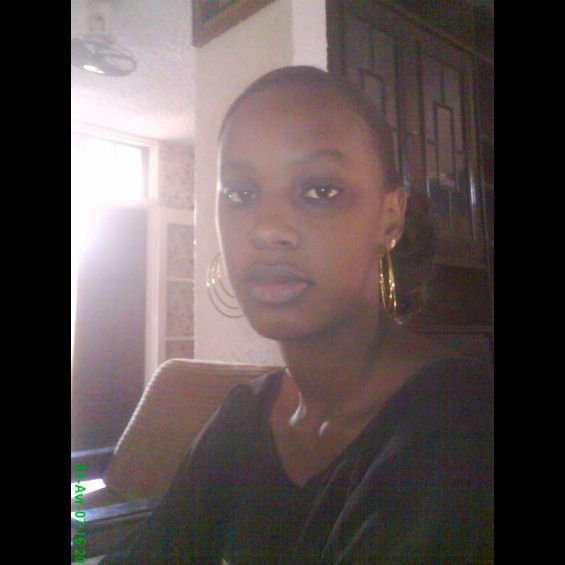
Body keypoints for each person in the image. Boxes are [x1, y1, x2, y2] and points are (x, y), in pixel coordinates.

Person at [101, 66, 493, 564]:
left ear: (389, 217)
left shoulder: (463, 426)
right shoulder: (244, 415)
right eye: (240, 193)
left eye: (320, 191)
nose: (266, 229)